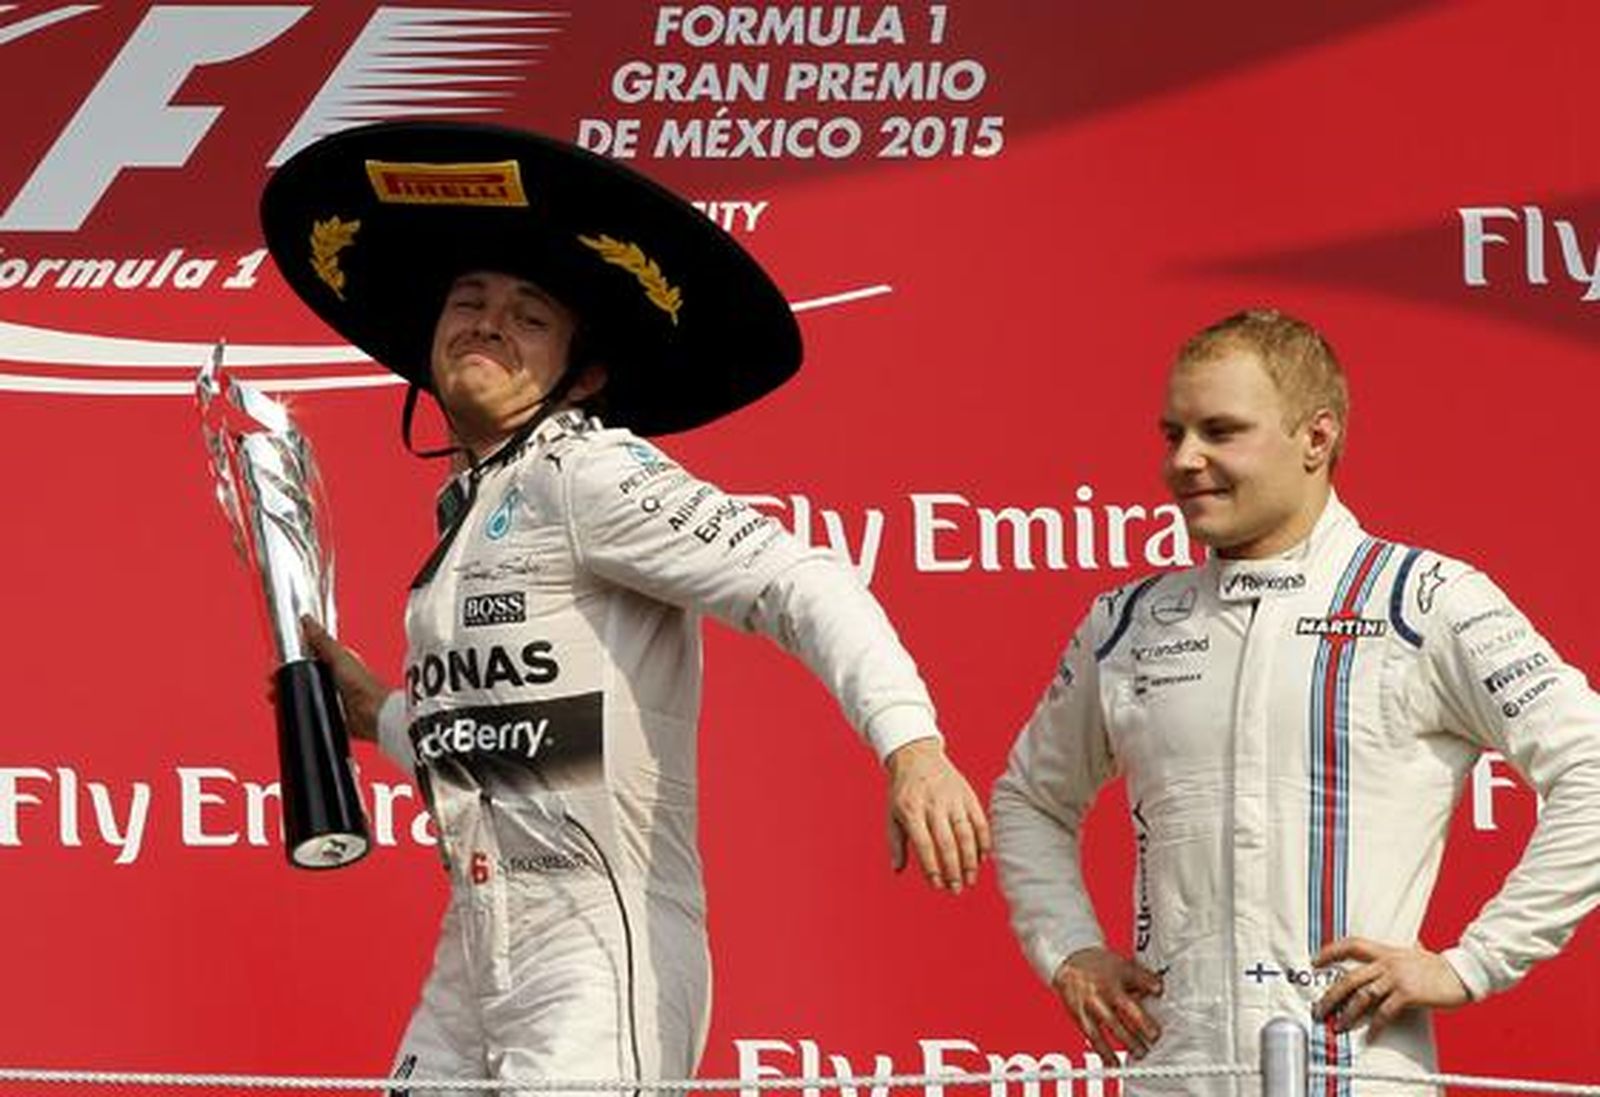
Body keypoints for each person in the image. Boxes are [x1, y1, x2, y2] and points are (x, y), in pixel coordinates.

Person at [259, 122, 990, 1092]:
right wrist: (381, 714)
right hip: (475, 948)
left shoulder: (588, 470)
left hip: (598, 949)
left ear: (586, 373)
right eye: (469, 300)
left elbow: (801, 580)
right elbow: (509, 745)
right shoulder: (467, 514)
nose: (487, 323)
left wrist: (911, 744)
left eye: (528, 316)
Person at [990, 309, 1600, 1096]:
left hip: (1361, 1076)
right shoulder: (1128, 622)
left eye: (1221, 431)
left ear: (1316, 438)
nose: (1184, 460)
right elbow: (1031, 800)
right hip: (1180, 1074)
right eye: (1172, 433)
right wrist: (1069, 947)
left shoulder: (1423, 599)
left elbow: (1591, 764)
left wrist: (1475, 962)